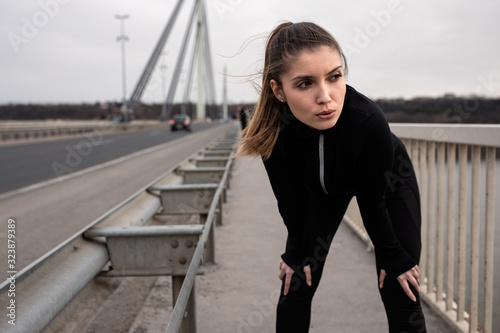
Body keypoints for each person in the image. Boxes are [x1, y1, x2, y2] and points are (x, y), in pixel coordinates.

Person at [237, 22, 426, 333]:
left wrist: (391, 254)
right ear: (278, 90)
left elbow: (372, 200)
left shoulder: (369, 121)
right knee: (296, 279)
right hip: (322, 193)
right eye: (305, 84)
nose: (326, 97)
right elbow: (291, 202)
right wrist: (297, 252)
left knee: (400, 280)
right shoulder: (274, 130)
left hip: (386, 184)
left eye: (334, 77)